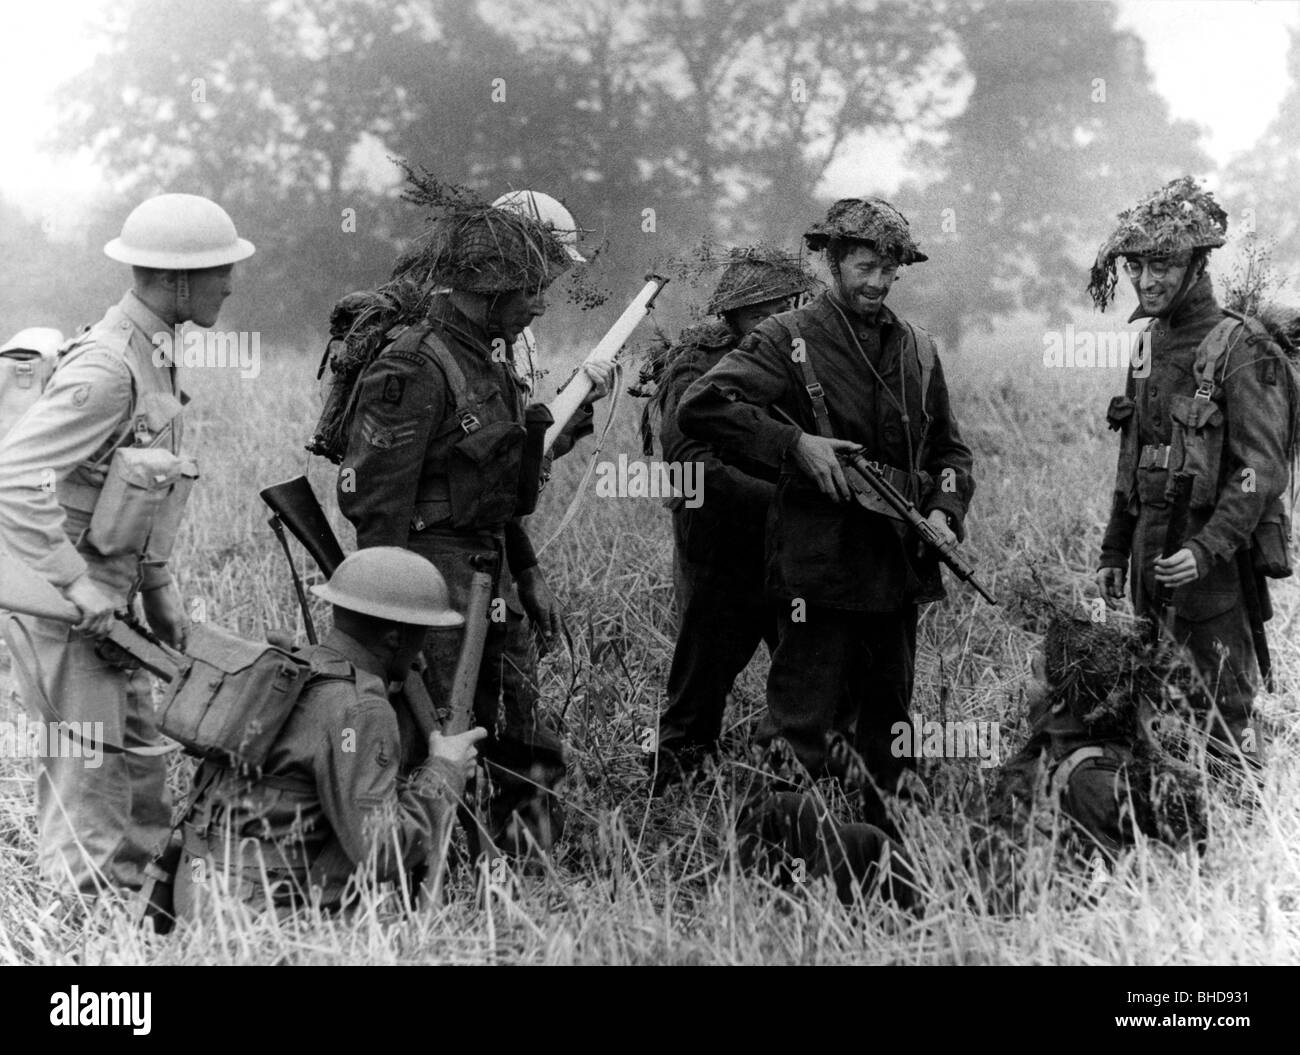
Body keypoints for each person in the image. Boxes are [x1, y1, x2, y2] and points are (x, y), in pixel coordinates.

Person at [677, 197, 975, 800]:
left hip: (895, 566)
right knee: (799, 728)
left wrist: (945, 509)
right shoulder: (786, 337)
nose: (878, 282)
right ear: (835, 262)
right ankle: (777, 862)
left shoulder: (918, 347)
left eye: (890, 270)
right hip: (819, 569)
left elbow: (951, 454)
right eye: (865, 266)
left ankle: (881, 860)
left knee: (888, 729)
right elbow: (703, 406)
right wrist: (794, 444)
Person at [0, 193, 253, 895]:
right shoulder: (109, 368)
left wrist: (157, 588)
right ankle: (83, 941)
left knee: (138, 765)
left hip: (108, 607)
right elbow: (14, 478)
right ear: (176, 281)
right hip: (69, 609)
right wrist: (74, 584)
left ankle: (133, 914)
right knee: (92, 775)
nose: (230, 285)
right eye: (219, 272)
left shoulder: (153, 353)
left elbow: (139, 484)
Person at [336, 195, 574, 853]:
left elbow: (493, 488)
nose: (540, 305)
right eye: (529, 290)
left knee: (521, 717)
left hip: (487, 568)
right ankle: (433, 855)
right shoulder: (414, 365)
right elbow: (374, 501)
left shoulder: (487, 357)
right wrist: (390, 618)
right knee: (438, 722)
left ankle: (531, 851)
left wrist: (527, 571)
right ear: (490, 289)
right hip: (430, 580)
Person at [1089, 176, 1293, 767]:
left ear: (1197, 263)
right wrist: (1113, 550)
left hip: (1215, 566)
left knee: (1223, 707)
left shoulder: (1241, 346)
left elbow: (1261, 470)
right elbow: (1134, 457)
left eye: (1162, 266)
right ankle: (1174, 828)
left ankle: (1241, 826)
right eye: (1135, 267)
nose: (1146, 282)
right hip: (1152, 554)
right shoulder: (1148, 344)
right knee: (1155, 698)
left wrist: (1207, 549)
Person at [174, 548, 486, 918]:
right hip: (256, 919)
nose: (420, 658)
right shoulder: (360, 707)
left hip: (197, 893)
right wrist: (443, 773)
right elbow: (381, 853)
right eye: (419, 638)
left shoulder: (295, 669)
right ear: (393, 638)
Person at [644, 246, 812, 790]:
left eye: (785, 306)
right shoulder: (696, 363)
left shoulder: (795, 356)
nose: (774, 319)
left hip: (786, 545)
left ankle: (785, 780)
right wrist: (780, 501)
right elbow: (692, 464)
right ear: (735, 312)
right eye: (762, 310)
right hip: (718, 544)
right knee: (703, 675)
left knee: (806, 667)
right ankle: (672, 789)